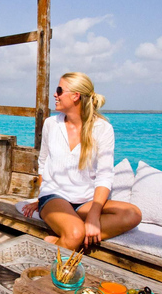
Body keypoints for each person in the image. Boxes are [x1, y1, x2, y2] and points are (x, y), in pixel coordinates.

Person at [21, 72, 141, 251]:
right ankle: (52, 264)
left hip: (85, 200)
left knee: (133, 214)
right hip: (54, 196)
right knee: (75, 232)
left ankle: (61, 241)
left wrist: (94, 215)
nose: (55, 94)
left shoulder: (103, 129)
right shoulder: (51, 124)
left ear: (76, 96)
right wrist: (40, 199)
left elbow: (105, 175)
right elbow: (43, 163)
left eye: (59, 90)